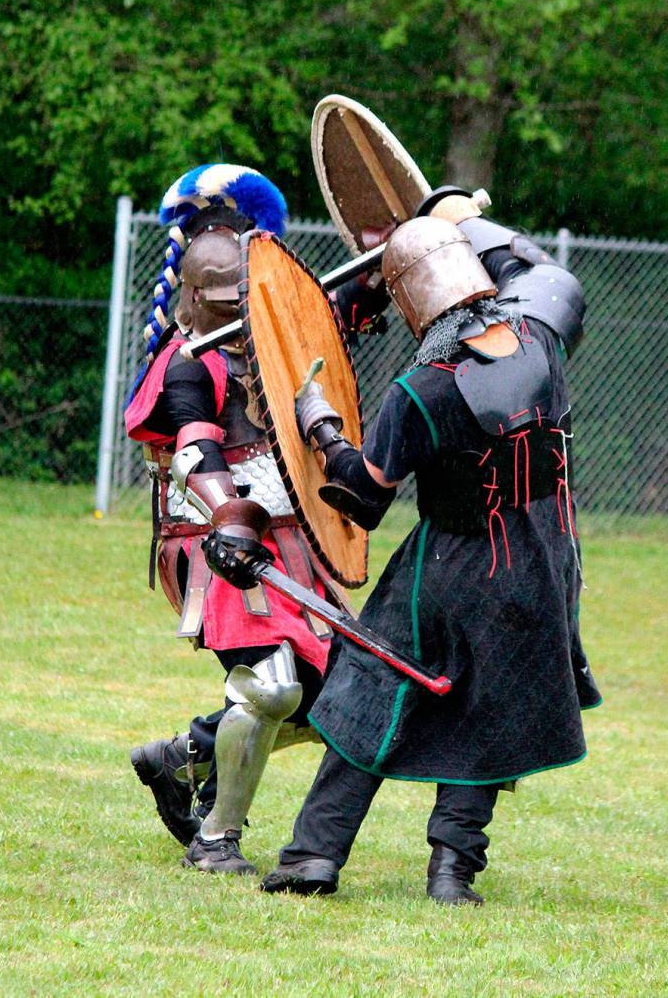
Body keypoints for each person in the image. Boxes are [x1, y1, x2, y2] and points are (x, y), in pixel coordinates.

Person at [249, 210, 601, 904]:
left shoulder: (422, 388)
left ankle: (313, 855)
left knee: (366, 698)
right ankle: (452, 873)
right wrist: (462, 216)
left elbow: (361, 496)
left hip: (446, 566)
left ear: (410, 301)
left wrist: (318, 422)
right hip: (539, 560)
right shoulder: (541, 341)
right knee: (486, 710)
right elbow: (541, 271)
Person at [124, 163, 387, 874]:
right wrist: (230, 515)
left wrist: (387, 249)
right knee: (272, 685)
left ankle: (184, 754)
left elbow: (335, 320)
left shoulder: (277, 347)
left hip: (293, 541)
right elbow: (194, 453)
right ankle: (216, 841)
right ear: (203, 299)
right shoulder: (189, 365)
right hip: (223, 547)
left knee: (336, 698)